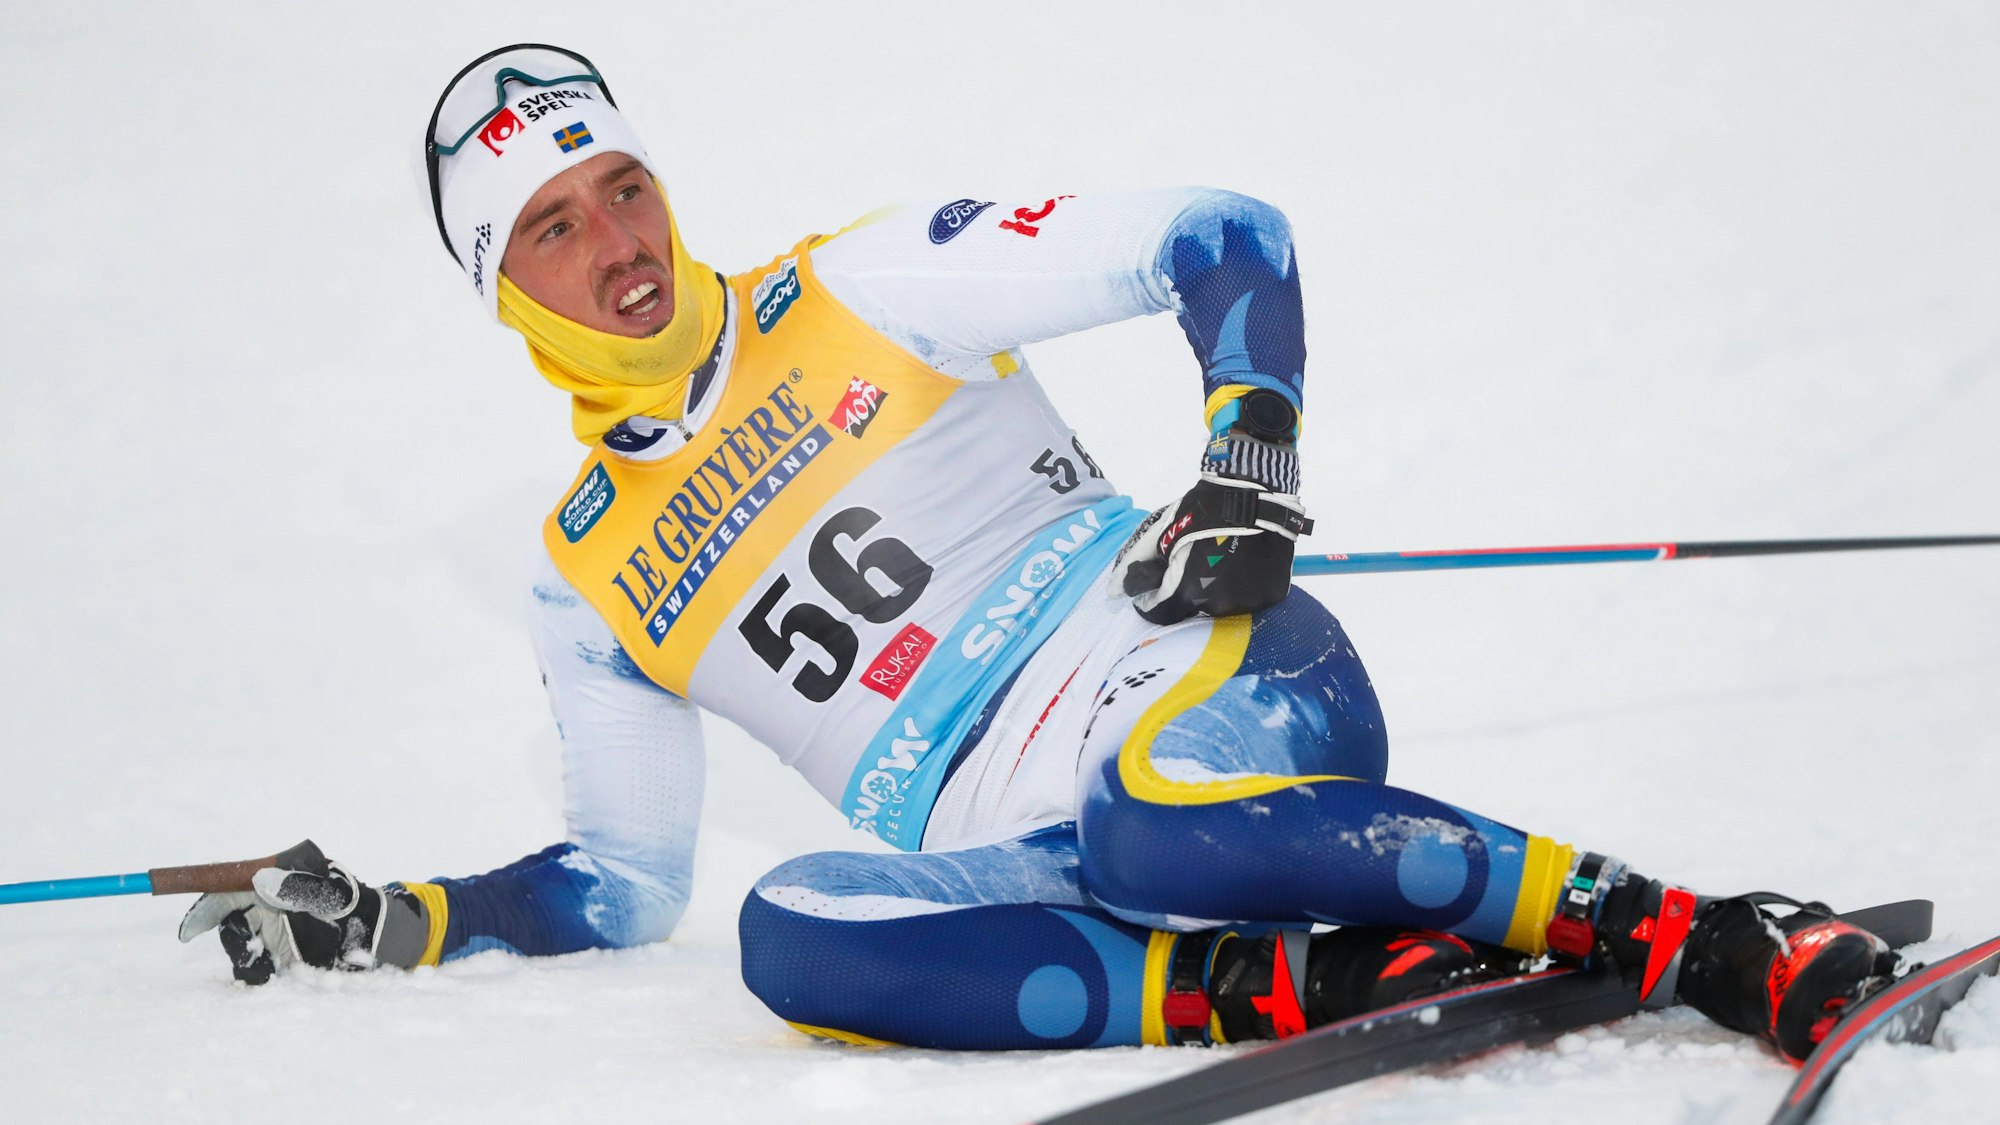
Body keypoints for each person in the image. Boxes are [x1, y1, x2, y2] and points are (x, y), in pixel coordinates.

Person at [179, 44, 1898, 1061]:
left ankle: (1709, 934)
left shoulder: (854, 286)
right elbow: (620, 884)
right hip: (1048, 849)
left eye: (622, 186)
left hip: (1206, 680)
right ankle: (1282, 981)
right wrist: (397, 918)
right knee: (795, 931)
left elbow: (1219, 237)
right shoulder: (586, 567)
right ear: (506, 288)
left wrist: (1248, 447)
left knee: (1152, 798)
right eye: (552, 226)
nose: (613, 240)